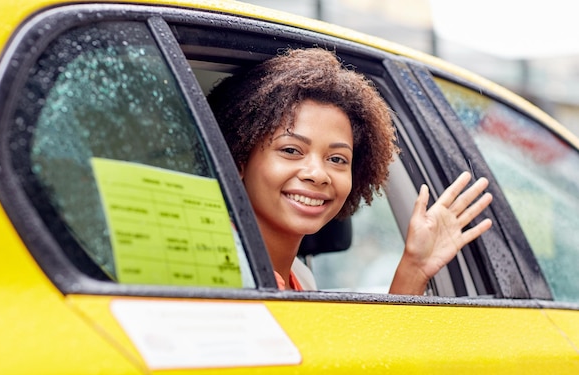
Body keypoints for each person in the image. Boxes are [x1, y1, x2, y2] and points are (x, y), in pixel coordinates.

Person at [207, 48, 493, 295]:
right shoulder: (216, 267)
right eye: (291, 151)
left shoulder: (301, 279)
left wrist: (415, 268)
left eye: (337, 159)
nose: (318, 174)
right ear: (238, 160)